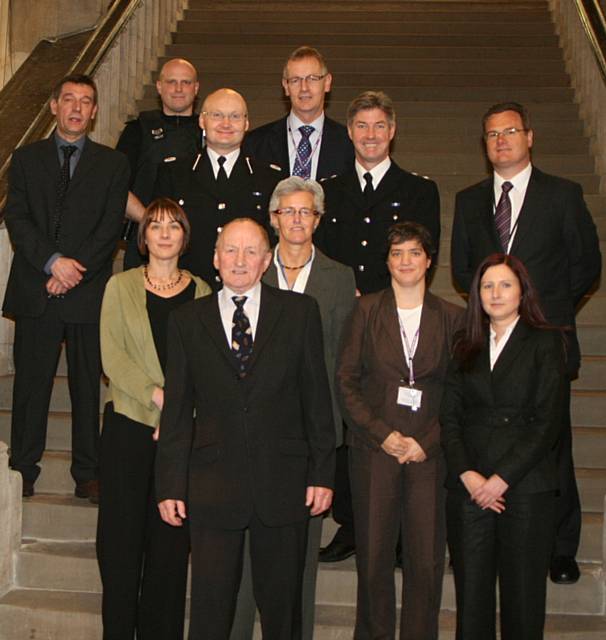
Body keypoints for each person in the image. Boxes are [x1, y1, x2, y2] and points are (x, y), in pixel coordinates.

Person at [155, 218, 336, 640]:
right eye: (230, 251)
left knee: (283, 610)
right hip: (212, 485)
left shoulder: (299, 313)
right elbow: (178, 412)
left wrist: (322, 473)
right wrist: (170, 485)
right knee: (210, 608)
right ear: (215, 260)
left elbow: (317, 400)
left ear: (266, 260)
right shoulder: (186, 321)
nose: (240, 260)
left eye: (251, 251)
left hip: (285, 482)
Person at [450, 101, 601, 584]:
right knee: (484, 433)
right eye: (492, 134)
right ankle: (485, 530)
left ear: (530, 137)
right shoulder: (471, 200)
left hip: (545, 341)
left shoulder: (563, 194)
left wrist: (539, 311)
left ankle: (559, 547)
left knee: (553, 444)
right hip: (487, 341)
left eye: (510, 131)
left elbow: (586, 267)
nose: (501, 140)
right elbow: (460, 270)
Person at [317, 90, 441, 564]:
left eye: (379, 126)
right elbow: (322, 250)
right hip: (347, 321)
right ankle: (351, 523)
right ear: (350, 133)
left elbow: (423, 252)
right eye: (361, 127)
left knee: (400, 413)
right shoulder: (330, 188)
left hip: (399, 321)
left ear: (392, 132)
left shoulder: (418, 190)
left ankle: (400, 532)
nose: (370, 135)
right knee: (353, 417)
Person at [3, 74, 129, 500]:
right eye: (69, 99)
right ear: (54, 105)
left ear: (94, 112)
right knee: (30, 387)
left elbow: (110, 226)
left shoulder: (113, 164)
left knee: (86, 386)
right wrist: (53, 264)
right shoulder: (24, 159)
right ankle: (22, 469)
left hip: (88, 291)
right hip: (36, 288)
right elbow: (18, 220)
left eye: (86, 101)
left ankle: (88, 473)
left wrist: (74, 270)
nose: (77, 107)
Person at [336, 221, 463, 640]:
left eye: (413, 252)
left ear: (429, 260)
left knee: (425, 561)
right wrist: (382, 435)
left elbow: (461, 393)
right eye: (396, 253)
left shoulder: (453, 319)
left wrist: (425, 442)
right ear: (387, 262)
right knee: (372, 557)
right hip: (374, 451)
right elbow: (347, 381)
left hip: (429, 454)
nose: (405, 261)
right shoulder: (367, 310)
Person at [96, 198, 211, 640]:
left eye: (173, 226)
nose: (164, 233)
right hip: (128, 426)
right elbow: (113, 356)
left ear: (185, 236)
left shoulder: (202, 291)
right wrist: (157, 396)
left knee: (169, 544)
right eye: (155, 225)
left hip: (180, 437)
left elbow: (206, 364)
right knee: (120, 543)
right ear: (142, 238)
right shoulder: (119, 286)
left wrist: (180, 412)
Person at [440, 253, 567, 640]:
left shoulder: (546, 342)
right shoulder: (465, 344)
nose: (495, 293)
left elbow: (548, 423)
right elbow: (450, 418)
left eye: (505, 285)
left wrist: (501, 479)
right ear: (476, 294)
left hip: (525, 488)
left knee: (523, 599)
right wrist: (470, 475)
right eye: (487, 286)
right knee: (472, 599)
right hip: (469, 488)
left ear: (522, 291)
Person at [154, 88, 282, 288]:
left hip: (247, 290)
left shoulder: (269, 178)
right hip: (188, 290)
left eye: (235, 116)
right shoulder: (173, 173)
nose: (226, 123)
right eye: (217, 115)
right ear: (202, 121)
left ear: (247, 124)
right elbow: (157, 237)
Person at [118, 57, 201, 269]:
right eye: (172, 81)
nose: (179, 88)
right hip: (144, 245)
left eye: (186, 82)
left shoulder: (211, 131)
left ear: (196, 88)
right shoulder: (137, 130)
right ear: (159, 86)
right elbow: (116, 186)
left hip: (197, 244)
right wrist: (153, 224)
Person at [243, 45, 354, 180]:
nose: (304, 88)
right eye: (295, 80)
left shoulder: (350, 144)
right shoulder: (255, 144)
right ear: (286, 86)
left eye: (312, 78)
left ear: (327, 82)